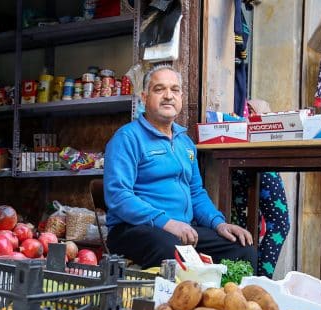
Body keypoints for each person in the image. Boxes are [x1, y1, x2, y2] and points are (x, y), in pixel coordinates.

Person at [103, 64, 258, 269]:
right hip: (133, 229)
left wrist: (218, 223)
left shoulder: (185, 143)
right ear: (144, 97)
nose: (168, 95)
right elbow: (118, 196)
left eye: (174, 90)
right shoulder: (127, 137)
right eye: (159, 89)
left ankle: (224, 301)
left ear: (181, 97)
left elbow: (196, 193)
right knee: (172, 249)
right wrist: (166, 223)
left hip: (181, 229)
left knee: (242, 250)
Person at [232, 99, 291, 278]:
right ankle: (259, 281)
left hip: (237, 147)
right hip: (248, 148)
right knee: (278, 223)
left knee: (244, 224)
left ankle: (247, 281)